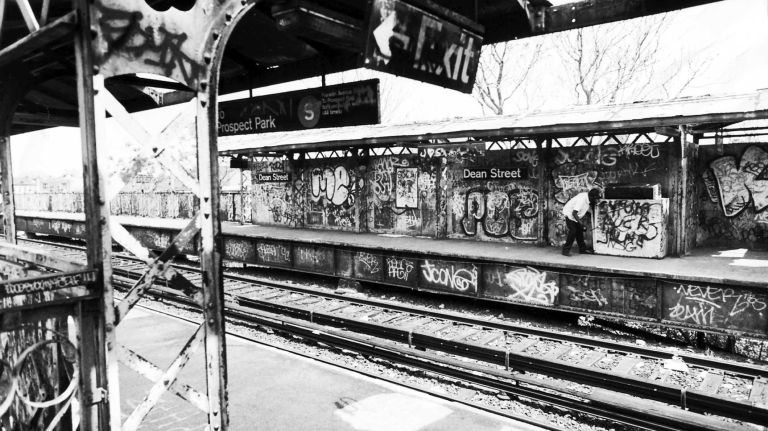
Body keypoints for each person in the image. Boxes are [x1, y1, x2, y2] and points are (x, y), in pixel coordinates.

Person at [561, 188, 600, 256]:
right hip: (569, 214)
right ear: (591, 197)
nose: (596, 200)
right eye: (595, 198)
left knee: (579, 231)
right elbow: (574, 213)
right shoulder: (582, 200)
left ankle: (582, 249)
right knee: (573, 231)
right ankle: (565, 250)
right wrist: (581, 223)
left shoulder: (587, 198)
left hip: (575, 215)